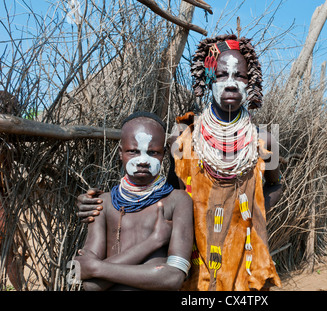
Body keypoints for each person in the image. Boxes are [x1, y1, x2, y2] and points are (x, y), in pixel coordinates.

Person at [77, 34, 282, 291]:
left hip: (247, 256)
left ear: (249, 81)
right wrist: (95, 203)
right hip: (194, 259)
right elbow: (166, 190)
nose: (230, 84)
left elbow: (276, 186)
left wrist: (248, 216)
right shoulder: (182, 137)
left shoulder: (266, 140)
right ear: (208, 79)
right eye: (221, 75)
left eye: (239, 76)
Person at [74, 111, 193, 291]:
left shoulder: (177, 201)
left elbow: (173, 278)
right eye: (133, 151)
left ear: (163, 155)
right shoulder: (103, 203)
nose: (143, 160)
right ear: (121, 153)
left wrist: (98, 268)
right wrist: (154, 241)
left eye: (152, 152)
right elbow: (90, 285)